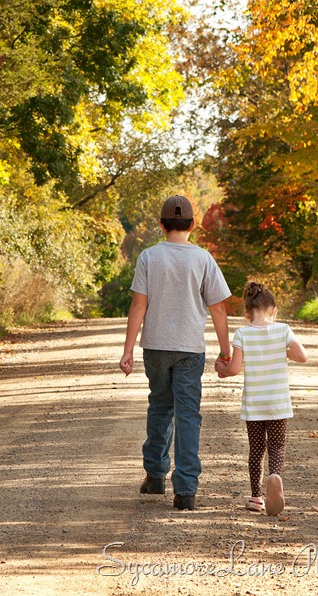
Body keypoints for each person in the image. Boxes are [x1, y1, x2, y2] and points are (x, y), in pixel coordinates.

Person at [119, 195, 232, 511]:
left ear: (161, 224)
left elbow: (138, 305)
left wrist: (127, 350)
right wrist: (225, 352)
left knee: (159, 406)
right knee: (187, 415)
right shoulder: (202, 259)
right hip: (189, 350)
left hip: (155, 347)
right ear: (193, 225)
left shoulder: (149, 257)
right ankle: (185, 491)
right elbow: (219, 309)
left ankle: (155, 475)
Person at [214, 281, 307, 516]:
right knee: (276, 447)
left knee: (256, 449)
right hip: (277, 403)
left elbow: (234, 368)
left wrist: (221, 370)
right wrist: (284, 351)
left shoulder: (243, 333)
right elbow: (302, 356)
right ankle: (274, 475)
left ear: (247, 313)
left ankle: (256, 497)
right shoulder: (282, 330)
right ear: (273, 310)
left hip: (254, 404)